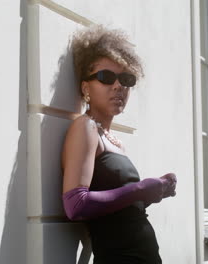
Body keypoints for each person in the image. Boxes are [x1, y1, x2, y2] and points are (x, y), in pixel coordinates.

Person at [61, 25, 177, 264]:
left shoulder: (114, 140)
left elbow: (117, 208)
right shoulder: (86, 127)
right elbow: (75, 205)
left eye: (126, 79)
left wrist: (154, 193)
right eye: (106, 77)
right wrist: (140, 189)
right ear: (85, 87)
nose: (118, 86)